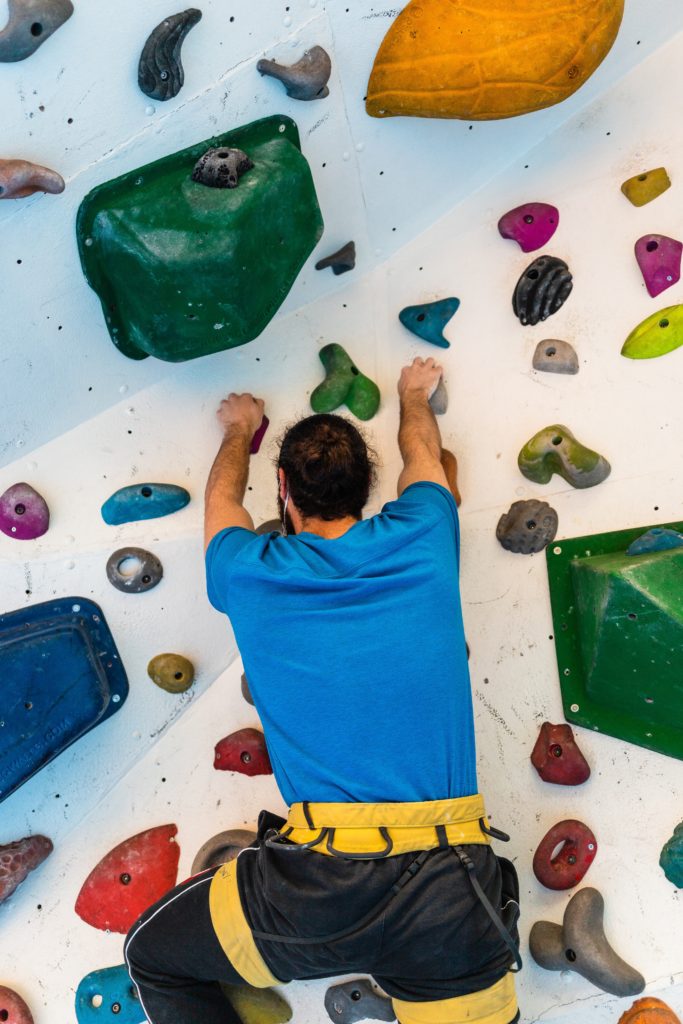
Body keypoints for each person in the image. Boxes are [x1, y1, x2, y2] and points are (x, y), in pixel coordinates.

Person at [124, 355, 521, 1024]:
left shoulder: (247, 569)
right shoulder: (425, 531)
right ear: (370, 493)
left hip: (316, 890)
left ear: (282, 489)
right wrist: (412, 392)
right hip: (448, 889)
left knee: (154, 955)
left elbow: (223, 502)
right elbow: (421, 450)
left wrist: (239, 428)